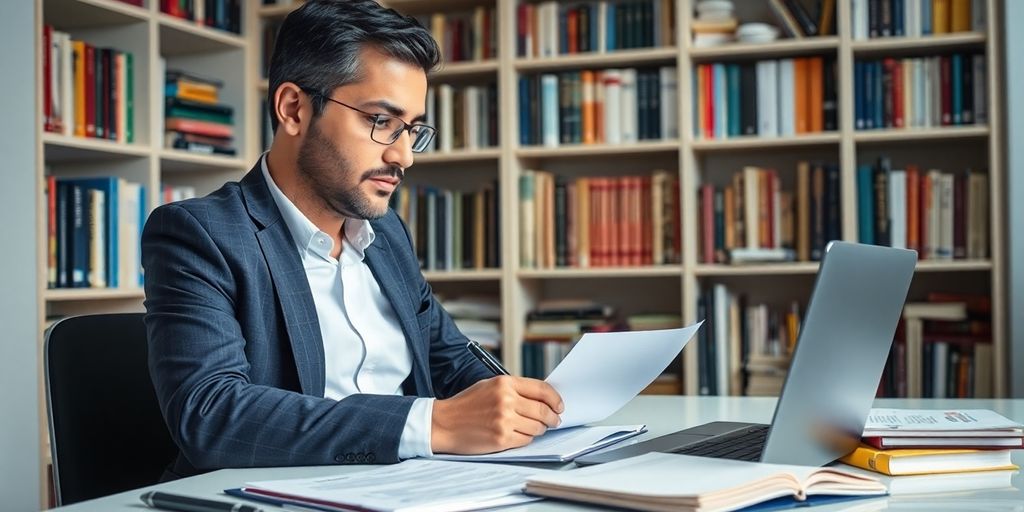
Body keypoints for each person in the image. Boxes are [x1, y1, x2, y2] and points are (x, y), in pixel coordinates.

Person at [142, 0, 563, 479]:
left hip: (415, 487)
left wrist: (532, 412)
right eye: (381, 121)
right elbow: (210, 414)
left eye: (412, 130)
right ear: (294, 109)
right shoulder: (200, 234)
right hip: (277, 495)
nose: (403, 156)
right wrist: (431, 424)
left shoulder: (387, 235)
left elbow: (450, 360)